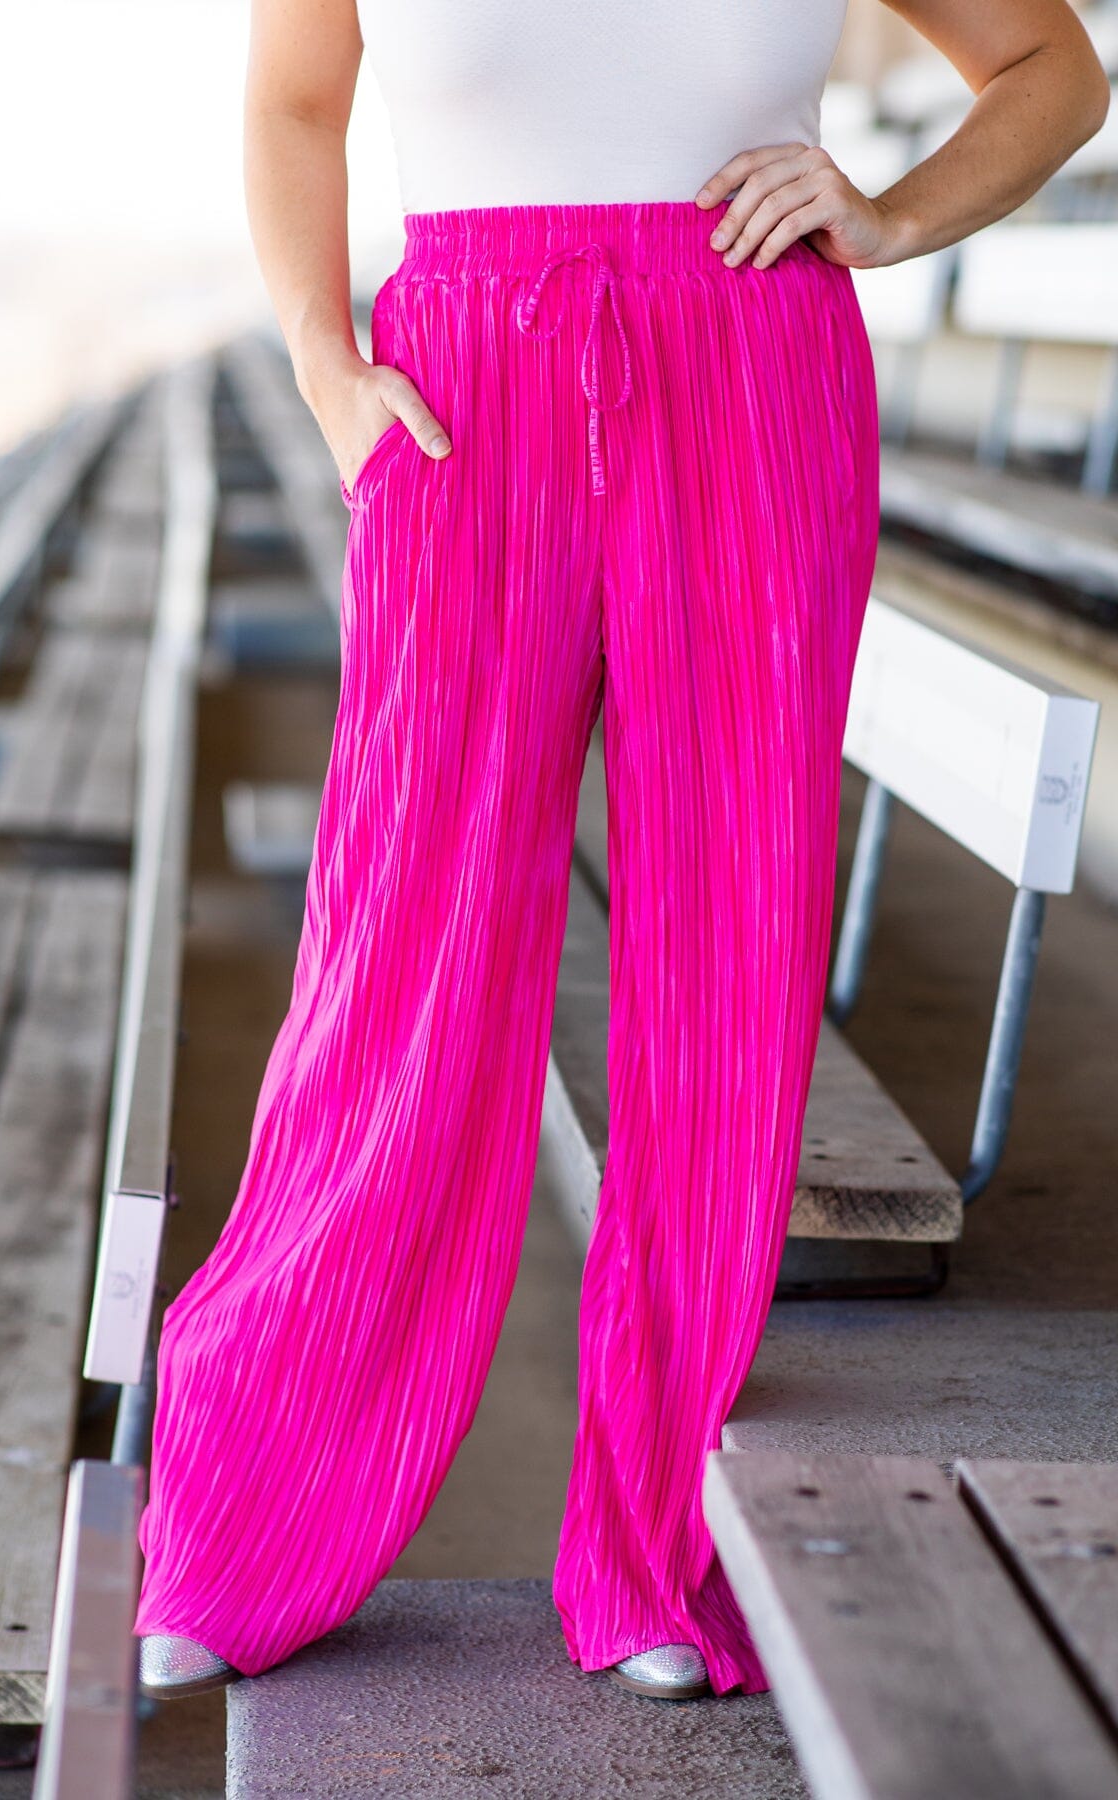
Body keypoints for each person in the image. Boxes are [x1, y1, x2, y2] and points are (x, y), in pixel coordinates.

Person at [134, 0, 1109, 1705]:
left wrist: (884, 216)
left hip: (752, 379)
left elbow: (1056, 70)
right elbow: (295, 102)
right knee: (403, 953)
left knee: (724, 957)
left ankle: (652, 1542)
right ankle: (247, 1518)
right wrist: (324, 364)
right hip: (455, 402)